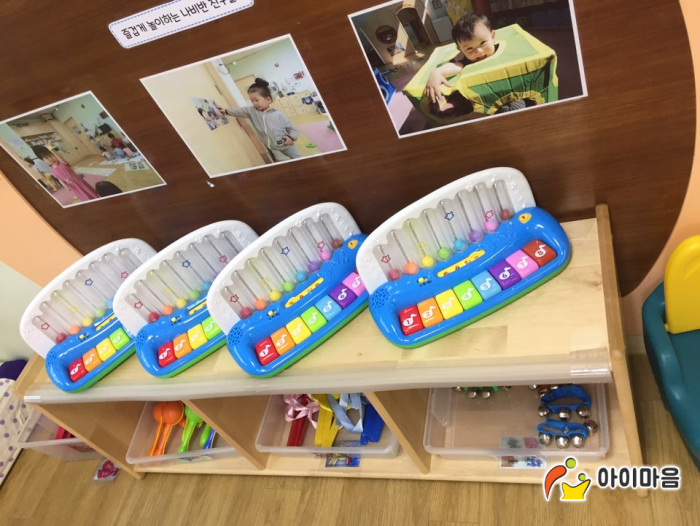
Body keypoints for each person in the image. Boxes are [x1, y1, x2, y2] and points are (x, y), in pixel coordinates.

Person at [423, 12, 529, 114]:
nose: (479, 51)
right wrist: (436, 72)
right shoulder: (467, 61)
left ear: (492, 37)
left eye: (483, 43)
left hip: (511, 93)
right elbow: (456, 66)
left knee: (518, 106)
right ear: (460, 49)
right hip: (482, 100)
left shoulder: (504, 52)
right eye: (469, 48)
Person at [218, 78, 301, 161]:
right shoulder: (252, 111)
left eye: (256, 100)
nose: (254, 103)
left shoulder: (277, 115)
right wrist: (226, 111)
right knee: (281, 160)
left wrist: (291, 137)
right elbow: (240, 111)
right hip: (270, 145)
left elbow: (292, 128)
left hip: (285, 145)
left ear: (268, 100)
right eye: (252, 100)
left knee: (297, 158)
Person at [31, 145, 99, 202]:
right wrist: (65, 186)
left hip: (78, 181)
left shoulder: (61, 163)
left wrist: (52, 150)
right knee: (81, 194)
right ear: (44, 161)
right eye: (46, 158)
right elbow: (60, 179)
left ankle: (95, 198)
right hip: (72, 186)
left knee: (87, 190)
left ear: (54, 155)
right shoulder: (52, 170)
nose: (50, 159)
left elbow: (61, 158)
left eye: (50, 156)